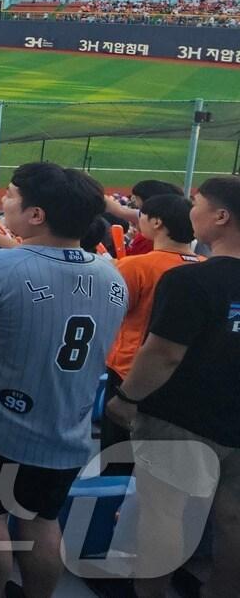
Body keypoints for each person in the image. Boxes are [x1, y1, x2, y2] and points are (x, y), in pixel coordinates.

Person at [0, 162, 127, 598]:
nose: (3, 201)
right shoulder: (112, 276)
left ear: (37, 215)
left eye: (12, 195)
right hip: (68, 425)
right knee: (42, 520)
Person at [105, 176, 240, 598]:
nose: (191, 211)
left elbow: (163, 354)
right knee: (233, 519)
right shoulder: (195, 274)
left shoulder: (192, 281)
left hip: (181, 420)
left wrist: (126, 399)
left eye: (196, 203)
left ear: (221, 216)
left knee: (163, 514)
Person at [100, 193, 201, 466]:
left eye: (142, 214)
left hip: (129, 375)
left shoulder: (136, 266)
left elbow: (108, 314)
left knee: (118, 461)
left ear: (157, 222)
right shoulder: (204, 267)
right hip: (182, 376)